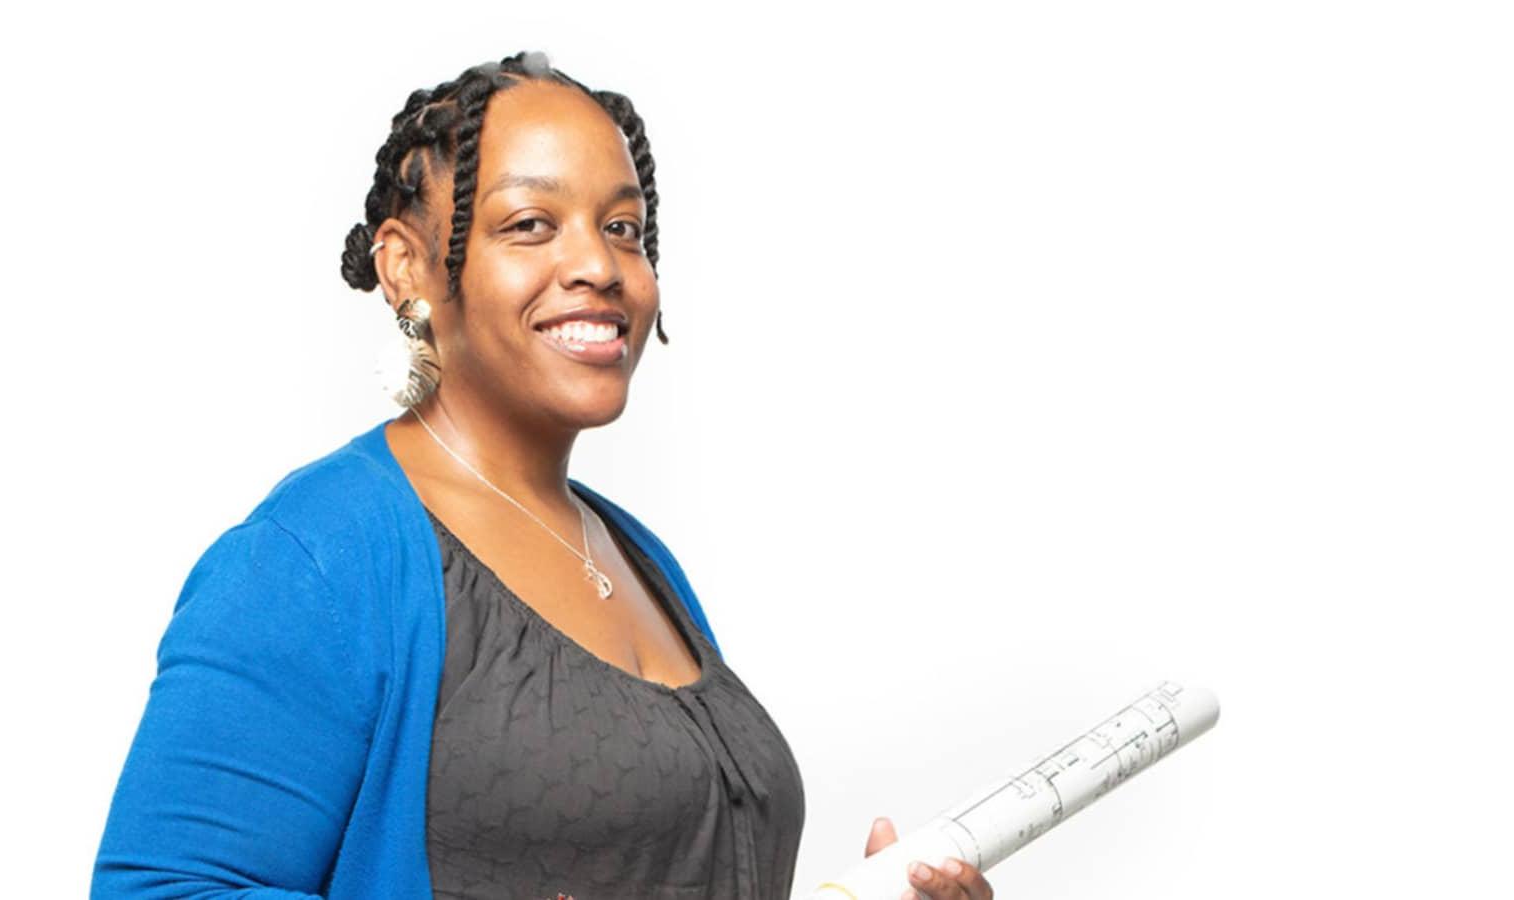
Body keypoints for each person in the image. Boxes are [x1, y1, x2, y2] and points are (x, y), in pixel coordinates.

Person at [91, 51, 995, 900]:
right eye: (530, 225)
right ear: (406, 265)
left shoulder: (639, 557)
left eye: (623, 229)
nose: (599, 265)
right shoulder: (315, 561)